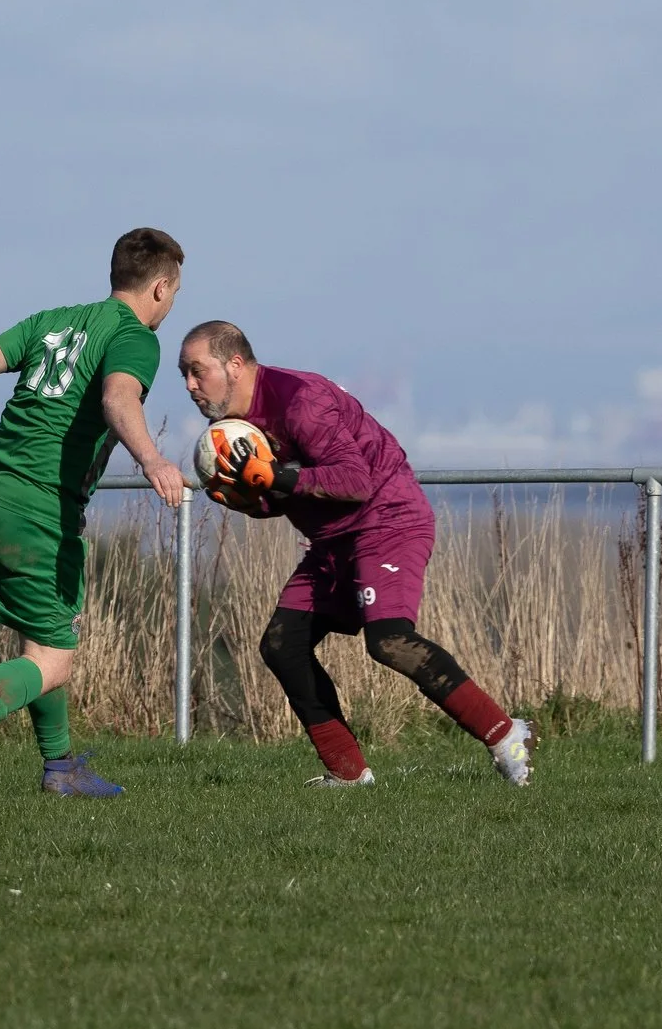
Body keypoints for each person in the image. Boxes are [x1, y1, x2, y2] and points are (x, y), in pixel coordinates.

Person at [0, 228, 188, 799]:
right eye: (174, 294)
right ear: (159, 287)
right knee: (53, 660)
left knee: (45, 637)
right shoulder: (134, 338)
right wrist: (152, 459)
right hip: (39, 506)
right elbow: (118, 399)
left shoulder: (51, 321)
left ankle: (61, 769)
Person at [176, 320, 533, 788]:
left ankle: (505, 734)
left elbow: (355, 482)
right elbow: (281, 496)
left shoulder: (302, 400)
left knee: (388, 641)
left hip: (387, 521)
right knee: (283, 647)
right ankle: (348, 774)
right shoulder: (231, 429)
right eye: (184, 374)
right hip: (332, 541)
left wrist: (275, 480)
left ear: (236, 365)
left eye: (197, 371)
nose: (189, 386)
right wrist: (249, 501)